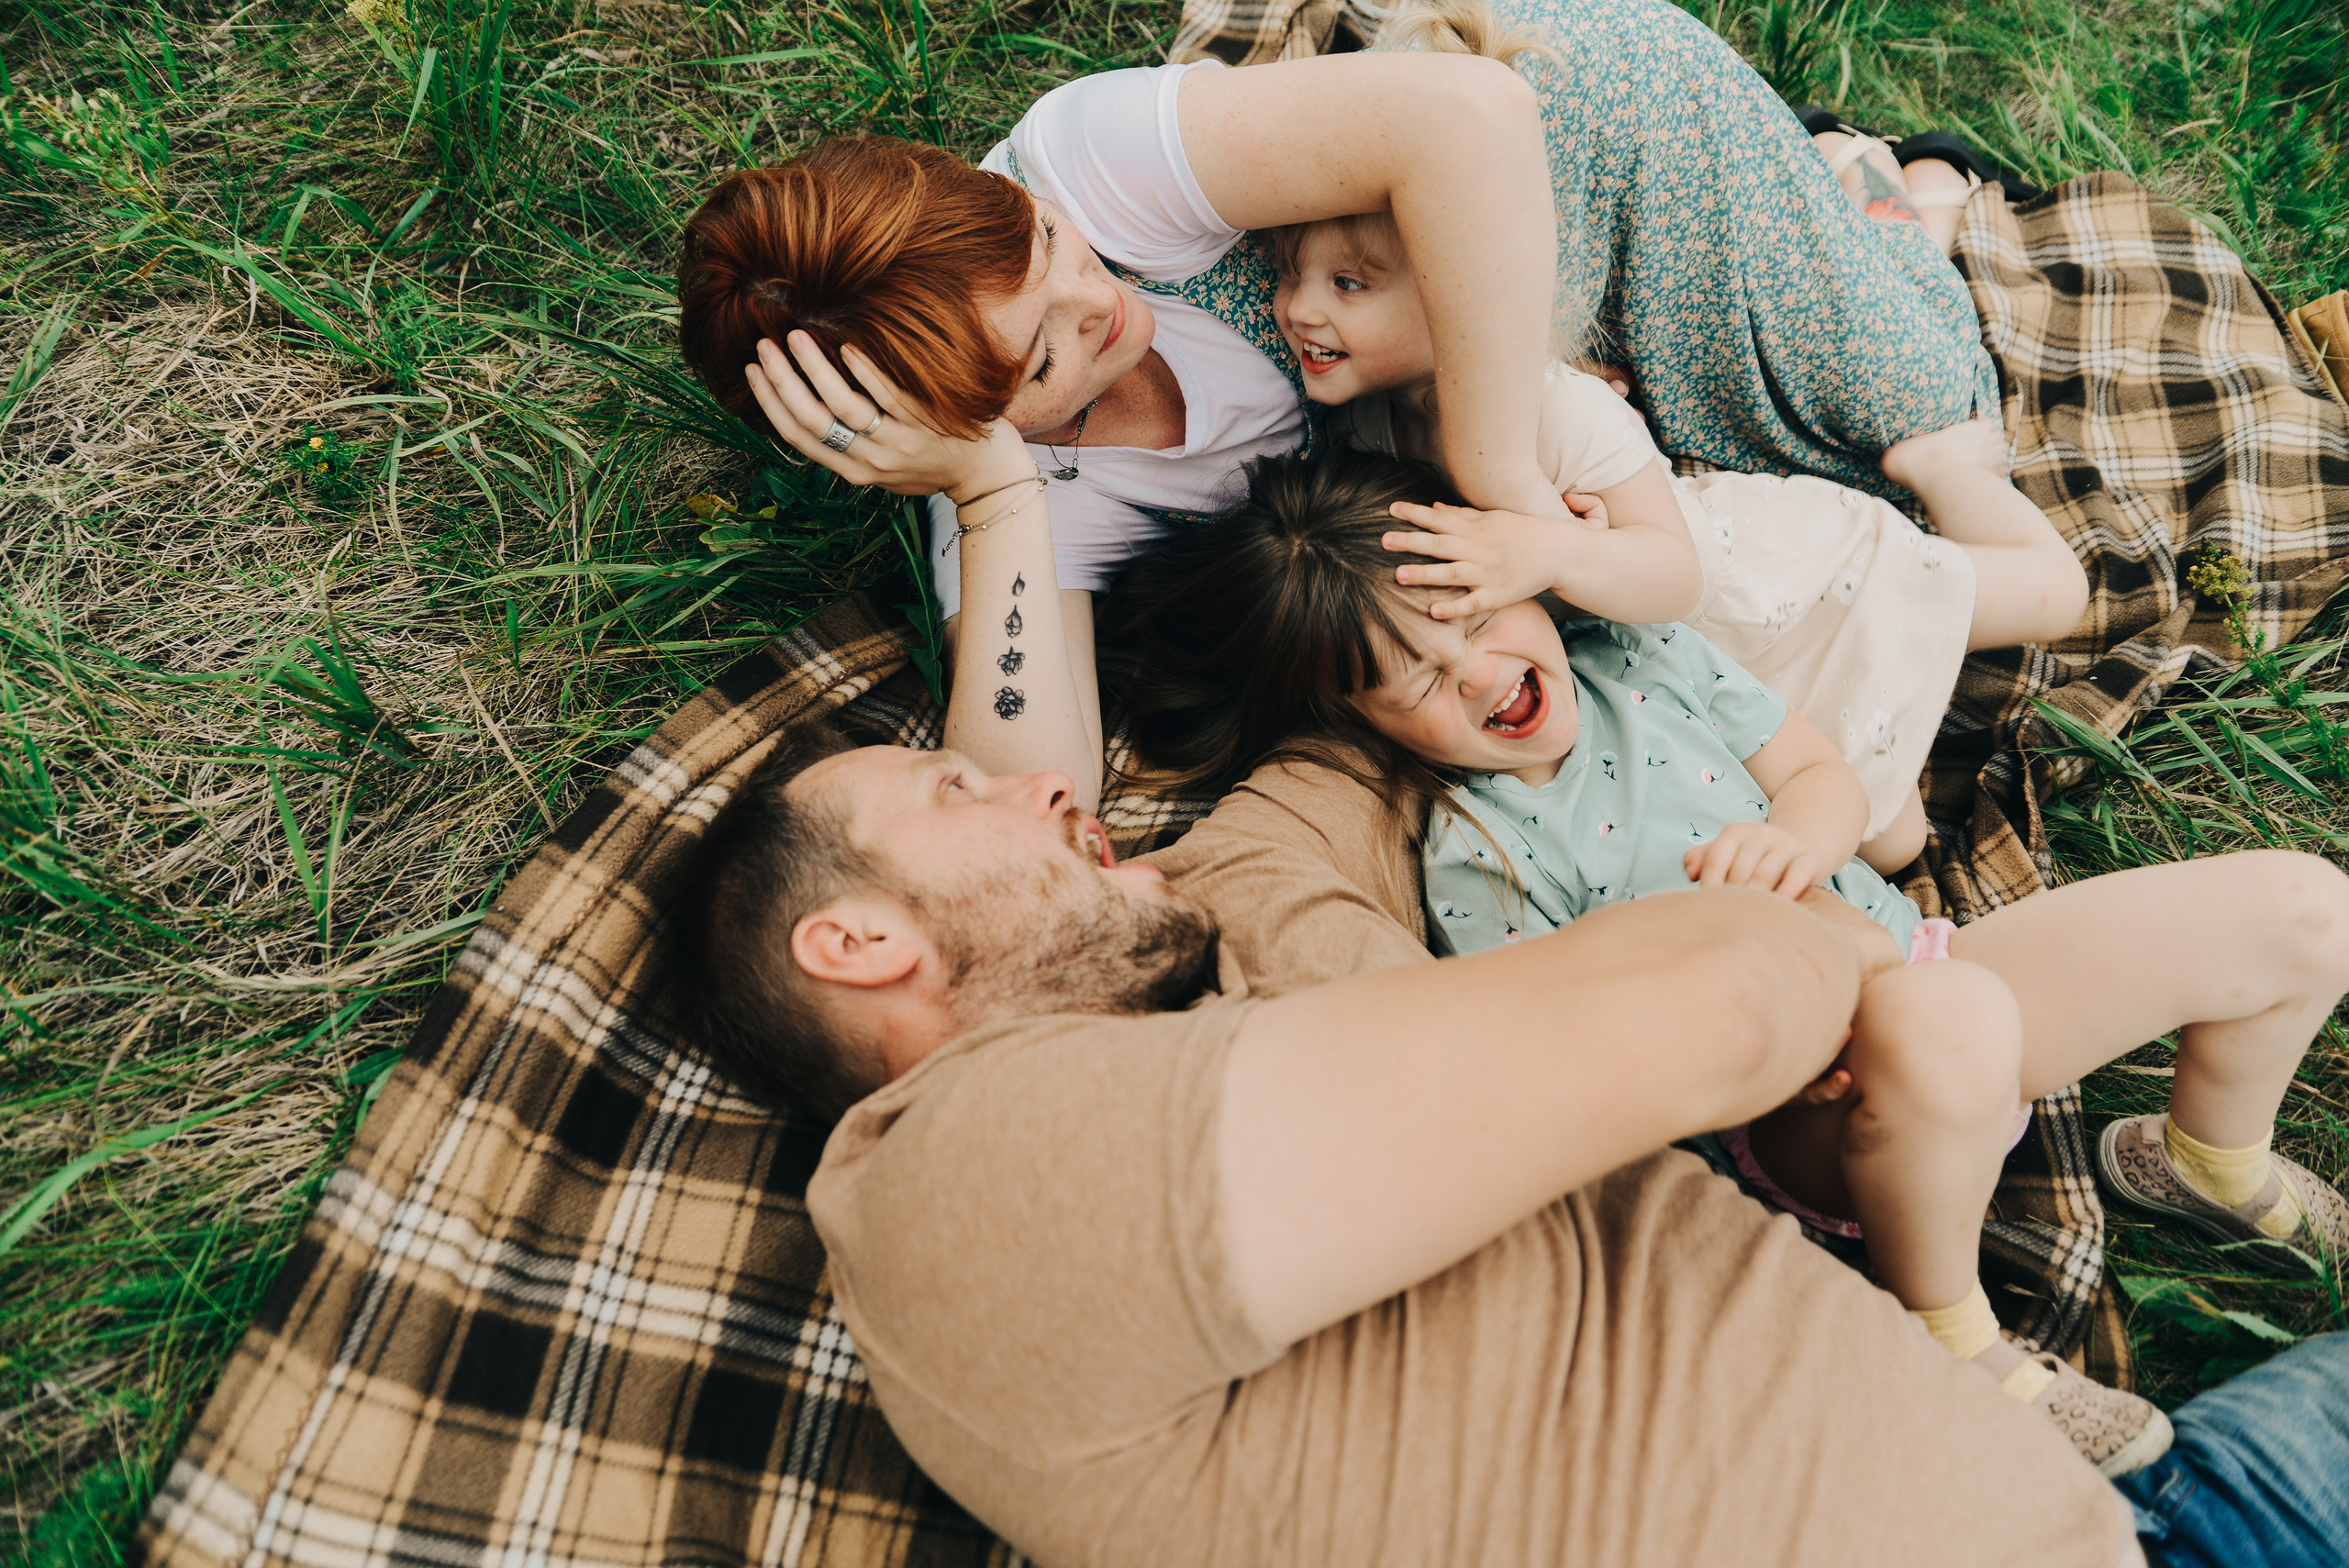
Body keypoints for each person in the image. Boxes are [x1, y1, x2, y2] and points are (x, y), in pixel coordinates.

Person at [671, 715, 2349, 1567]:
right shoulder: (957, 1167)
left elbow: (1313, 783)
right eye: (965, 787)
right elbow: (1710, 1010)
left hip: (2138, 1518)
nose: (1053, 787)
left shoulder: (1232, 970)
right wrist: (1825, 947)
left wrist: (1418, 626)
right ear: (856, 944)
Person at [1097, 448, 2349, 1474]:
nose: (1476, 674)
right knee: (1950, 1019)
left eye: (1474, 618)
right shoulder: (1476, 854)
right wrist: (1763, 1032)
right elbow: (1597, 1067)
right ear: (1362, 722)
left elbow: (1819, 778)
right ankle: (1950, 1331)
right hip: (1816, 1101)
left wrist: (1794, 840)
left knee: (2303, 911)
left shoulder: (1643, 659)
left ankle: (2200, 1159)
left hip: (1921, 960)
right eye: (1415, 682)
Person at [674, 0, 2016, 812]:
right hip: (1459, 382)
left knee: (1906, 416)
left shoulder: (1077, 157)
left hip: (1514, 229)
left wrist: (1496, 477)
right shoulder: (1010, 485)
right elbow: (1041, 787)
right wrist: (988, 493)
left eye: (1049, 248)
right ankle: (1866, 184)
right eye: (1041, 365)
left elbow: (1472, 121)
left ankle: (1895, 212)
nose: (1101, 303)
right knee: (1738, 539)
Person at [1274, 206, 2087, 871]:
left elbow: (1678, 577)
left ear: (1457, 294)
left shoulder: (1554, 410)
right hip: (1702, 675)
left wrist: (1559, 552)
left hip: (1784, 593)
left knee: (2059, 594)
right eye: (1290, 276)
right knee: (1893, 843)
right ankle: (1874, 721)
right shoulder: (1372, 433)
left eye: (1349, 284)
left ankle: (1941, 466)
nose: (1301, 309)